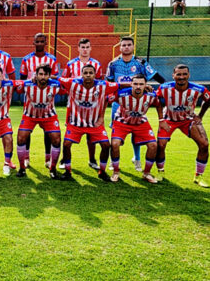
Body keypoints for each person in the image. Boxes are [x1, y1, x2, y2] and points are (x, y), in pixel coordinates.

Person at [106, 36, 165, 171]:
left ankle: (136, 158)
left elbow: (155, 75)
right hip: (119, 102)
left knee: (136, 130)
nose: (126, 47)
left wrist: (167, 86)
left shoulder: (140, 63)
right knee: (115, 133)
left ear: (133, 47)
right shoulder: (113, 64)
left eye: (128, 45)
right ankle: (112, 160)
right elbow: (108, 82)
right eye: (123, 45)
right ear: (120, 47)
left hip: (137, 103)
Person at [59, 65, 119, 182]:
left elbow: (119, 86)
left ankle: (102, 171)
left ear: (95, 74)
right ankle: (67, 171)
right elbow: (56, 79)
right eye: (85, 73)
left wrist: (138, 84)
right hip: (76, 123)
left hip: (95, 124)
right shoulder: (73, 83)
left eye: (90, 73)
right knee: (66, 144)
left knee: (106, 145)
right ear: (81, 74)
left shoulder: (103, 85)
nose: (88, 75)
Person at [155, 64, 210, 187]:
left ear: (189, 75)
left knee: (204, 144)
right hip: (168, 120)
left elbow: (209, 100)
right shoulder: (164, 88)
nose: (181, 77)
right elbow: (156, 101)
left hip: (188, 120)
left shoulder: (199, 89)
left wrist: (200, 116)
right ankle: (160, 172)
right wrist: (161, 119)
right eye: (178, 74)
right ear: (173, 75)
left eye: (184, 74)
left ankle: (198, 176)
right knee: (160, 145)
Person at [110, 74, 161, 183]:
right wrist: (100, 117)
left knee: (153, 145)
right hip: (122, 121)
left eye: (141, 84)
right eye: (136, 84)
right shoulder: (121, 94)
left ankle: (146, 173)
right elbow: (105, 100)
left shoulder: (151, 95)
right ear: (131, 84)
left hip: (140, 122)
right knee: (114, 144)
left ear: (145, 85)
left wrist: (161, 120)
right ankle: (116, 171)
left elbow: (158, 104)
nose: (138, 87)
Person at [62, 38, 103, 169]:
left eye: (87, 47)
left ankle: (92, 160)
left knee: (91, 132)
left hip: (92, 105)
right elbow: (64, 81)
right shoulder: (70, 64)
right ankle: (65, 160)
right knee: (70, 131)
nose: (85, 50)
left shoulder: (96, 64)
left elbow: (101, 83)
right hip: (74, 105)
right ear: (78, 48)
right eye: (83, 47)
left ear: (91, 48)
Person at [15, 64, 62, 179]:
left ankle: (53, 168)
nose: (43, 77)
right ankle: (22, 167)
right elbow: (12, 83)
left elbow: (70, 81)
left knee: (56, 139)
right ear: (35, 75)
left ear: (49, 76)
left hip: (48, 116)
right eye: (40, 74)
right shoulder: (27, 84)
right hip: (30, 116)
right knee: (21, 138)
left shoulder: (56, 85)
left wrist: (55, 78)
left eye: (46, 75)